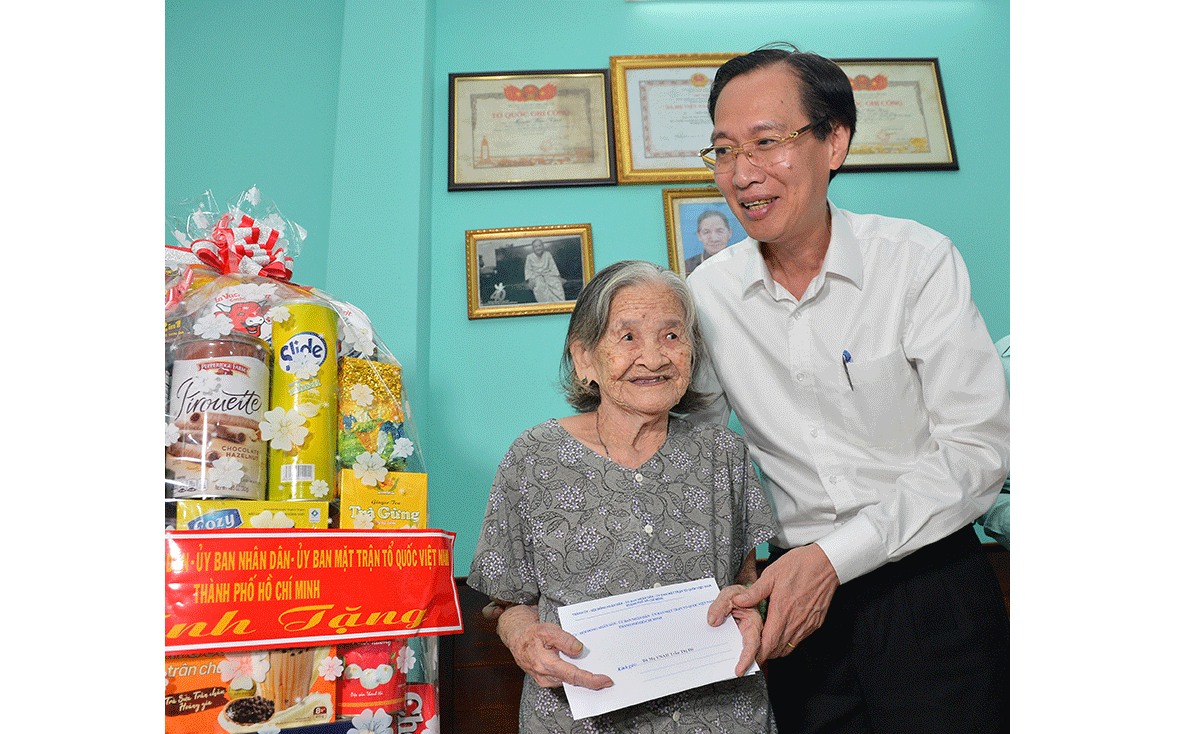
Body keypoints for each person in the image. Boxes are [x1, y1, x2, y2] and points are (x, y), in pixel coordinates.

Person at [687, 44, 1010, 733]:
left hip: (930, 585)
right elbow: (701, 454)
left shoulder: (917, 262)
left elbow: (978, 452)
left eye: (767, 143)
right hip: (797, 600)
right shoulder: (707, 293)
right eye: (722, 151)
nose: (742, 175)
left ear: (833, 141)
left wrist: (832, 559)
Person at [468, 260, 777, 734]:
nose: (653, 358)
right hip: (582, 719)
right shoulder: (534, 457)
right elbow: (508, 601)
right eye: (627, 337)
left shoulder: (723, 452)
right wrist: (523, 637)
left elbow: (744, 578)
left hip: (719, 715)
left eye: (672, 336)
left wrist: (749, 606)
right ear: (585, 359)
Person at [684, 209, 732, 276]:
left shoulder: (741, 261)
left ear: (729, 233)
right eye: (706, 232)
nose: (714, 239)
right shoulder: (687, 267)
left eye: (720, 231)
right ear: (699, 235)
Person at [523, 238, 566, 303]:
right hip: (536, 276)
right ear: (533, 248)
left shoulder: (547, 254)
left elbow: (553, 266)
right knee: (539, 286)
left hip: (548, 274)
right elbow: (528, 269)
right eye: (536, 246)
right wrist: (530, 279)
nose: (538, 248)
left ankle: (560, 303)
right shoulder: (529, 257)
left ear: (543, 246)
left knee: (556, 283)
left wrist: (557, 276)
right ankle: (546, 305)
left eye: (540, 246)